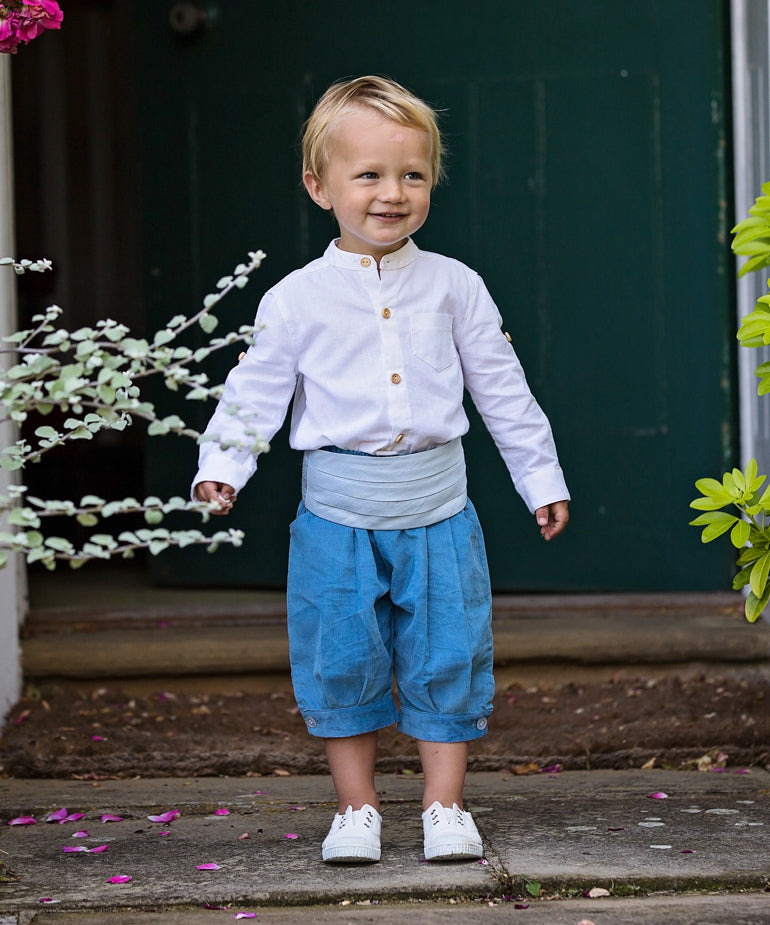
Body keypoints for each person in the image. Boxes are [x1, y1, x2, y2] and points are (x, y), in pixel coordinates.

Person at [192, 75, 570, 864]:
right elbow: (254, 391)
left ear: (432, 180)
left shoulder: (454, 286)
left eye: (412, 175)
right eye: (368, 174)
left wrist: (541, 479)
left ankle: (444, 805)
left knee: (447, 652)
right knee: (341, 657)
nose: (391, 193)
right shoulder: (295, 299)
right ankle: (357, 808)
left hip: (439, 512)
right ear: (319, 186)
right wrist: (222, 464)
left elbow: (503, 390)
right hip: (336, 517)